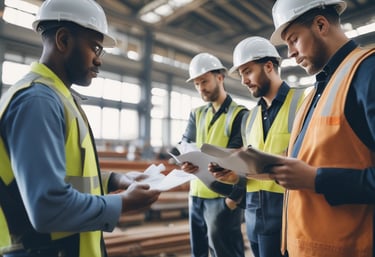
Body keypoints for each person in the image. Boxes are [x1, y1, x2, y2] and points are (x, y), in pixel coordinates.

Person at [0, 0, 161, 256]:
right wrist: (123, 203)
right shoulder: (37, 102)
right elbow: (47, 207)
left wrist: (117, 179)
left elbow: (68, 173)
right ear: (63, 40)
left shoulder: (58, 97)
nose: (98, 60)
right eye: (95, 47)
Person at [263, 0, 375, 257]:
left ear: (321, 25)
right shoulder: (317, 91)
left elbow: (316, 174)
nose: (289, 53)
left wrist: (316, 179)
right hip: (304, 246)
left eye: (293, 40)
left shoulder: (368, 73)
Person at [208, 36, 305, 257]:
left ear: (269, 66)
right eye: (241, 74)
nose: (243, 80)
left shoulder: (303, 101)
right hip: (253, 217)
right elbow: (249, 172)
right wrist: (233, 175)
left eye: (248, 71)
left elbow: (308, 157)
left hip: (289, 215)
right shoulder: (249, 118)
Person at [180, 52, 247, 257]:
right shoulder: (197, 113)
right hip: (196, 197)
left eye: (205, 81)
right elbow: (185, 144)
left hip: (223, 198)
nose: (201, 88)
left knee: (226, 252)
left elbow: (238, 159)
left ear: (220, 77)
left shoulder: (239, 114)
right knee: (198, 252)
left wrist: (231, 202)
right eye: (197, 84)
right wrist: (185, 162)